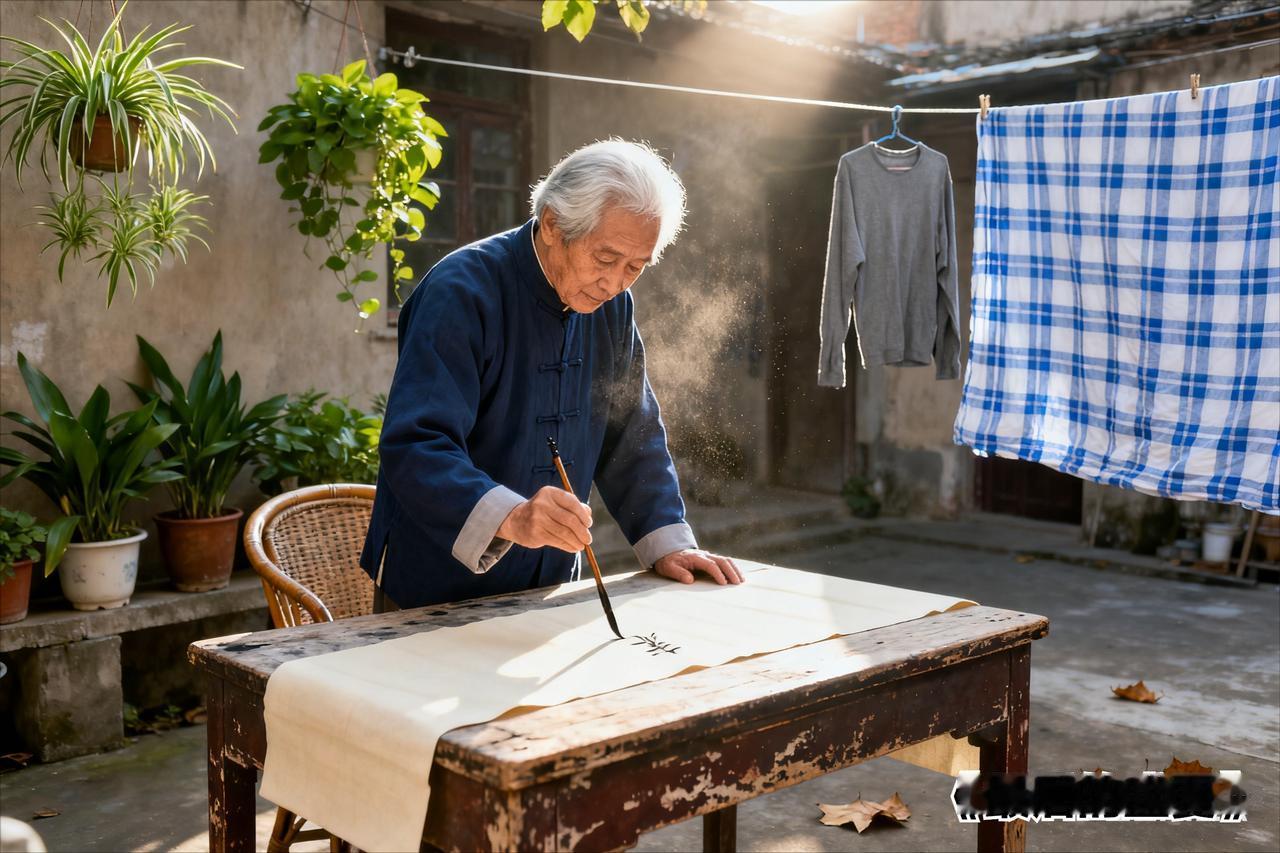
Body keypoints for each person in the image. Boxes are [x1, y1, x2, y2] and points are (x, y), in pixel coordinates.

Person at [360, 139, 743, 609]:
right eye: (605, 259)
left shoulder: (612, 308)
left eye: (635, 267)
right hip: (432, 583)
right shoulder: (460, 292)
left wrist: (669, 543)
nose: (616, 282)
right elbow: (416, 444)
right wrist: (515, 517)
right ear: (552, 226)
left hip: (548, 584)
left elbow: (631, 433)